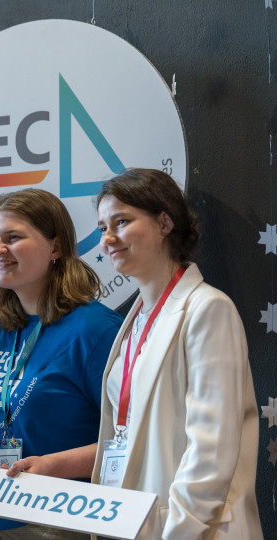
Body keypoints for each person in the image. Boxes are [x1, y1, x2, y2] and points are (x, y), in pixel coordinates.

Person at [91, 168, 262, 538]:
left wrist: (179, 532)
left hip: (192, 529)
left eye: (121, 222)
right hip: (135, 520)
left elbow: (210, 453)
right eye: (103, 227)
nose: (107, 239)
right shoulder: (135, 319)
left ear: (165, 223)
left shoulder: (208, 309)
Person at [0, 189, 122, 540]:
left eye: (12, 237)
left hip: (64, 522)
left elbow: (136, 439)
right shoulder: (3, 326)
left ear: (55, 247)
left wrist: (57, 465)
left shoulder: (94, 330)